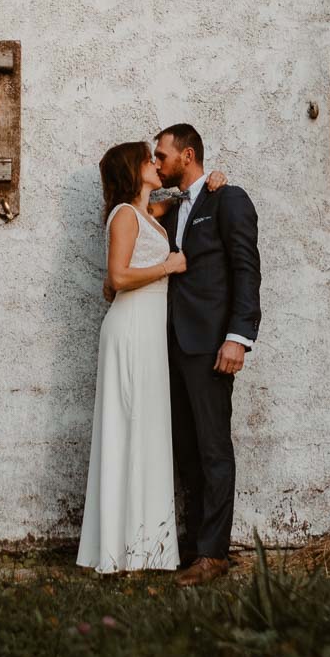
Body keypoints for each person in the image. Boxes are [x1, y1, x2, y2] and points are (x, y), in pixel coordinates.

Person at [76, 141, 227, 575]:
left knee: (146, 432)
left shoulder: (149, 213)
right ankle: (116, 549)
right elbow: (117, 276)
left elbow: (183, 199)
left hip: (149, 333)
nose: (156, 165)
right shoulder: (124, 214)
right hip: (130, 330)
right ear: (133, 170)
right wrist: (168, 267)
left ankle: (145, 548)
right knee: (127, 428)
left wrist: (214, 179)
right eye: (149, 159)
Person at [150, 123, 260, 587]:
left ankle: (214, 554)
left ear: (187, 155)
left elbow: (246, 269)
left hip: (212, 345)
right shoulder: (175, 207)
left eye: (161, 155)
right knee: (187, 448)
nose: (156, 163)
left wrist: (239, 336)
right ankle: (195, 545)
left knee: (213, 448)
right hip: (173, 345)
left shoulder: (227, 200)